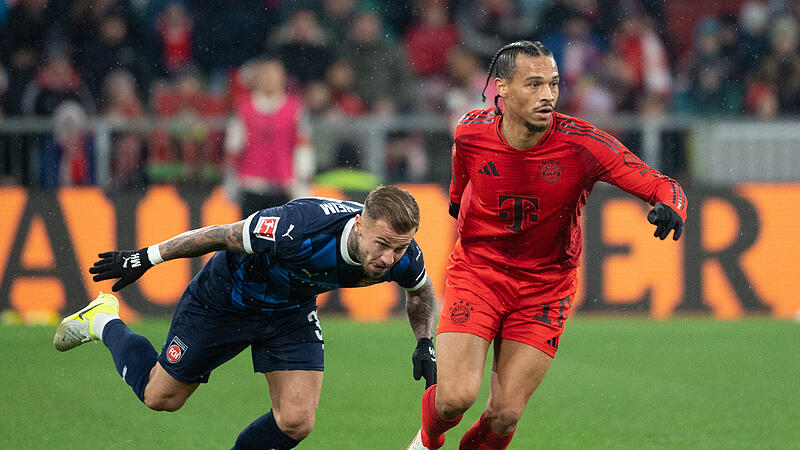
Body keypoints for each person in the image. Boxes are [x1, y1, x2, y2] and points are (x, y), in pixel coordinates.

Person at [407, 40, 687, 450]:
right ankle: (427, 441)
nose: (548, 96)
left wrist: (671, 205)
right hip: (479, 273)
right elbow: (457, 193)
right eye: (534, 84)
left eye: (553, 84)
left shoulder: (584, 144)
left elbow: (661, 184)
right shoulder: (469, 132)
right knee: (453, 399)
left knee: (505, 414)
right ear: (500, 88)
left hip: (545, 285)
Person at [54, 185, 438, 449]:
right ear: (359, 225)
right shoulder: (298, 226)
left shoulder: (403, 255)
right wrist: (147, 256)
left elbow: (420, 293)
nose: (388, 258)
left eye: (399, 248)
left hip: (290, 313)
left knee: (297, 420)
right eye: (382, 245)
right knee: (160, 397)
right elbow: (221, 235)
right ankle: (103, 320)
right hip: (224, 300)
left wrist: (425, 343)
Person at [224, 58, 315, 217]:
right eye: (265, 74)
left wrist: (302, 182)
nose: (269, 79)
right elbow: (233, 147)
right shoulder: (243, 108)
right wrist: (230, 182)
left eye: (273, 75)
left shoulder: (294, 109)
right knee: (250, 238)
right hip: (251, 186)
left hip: (284, 187)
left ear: (283, 78)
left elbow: (303, 146)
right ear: (257, 78)